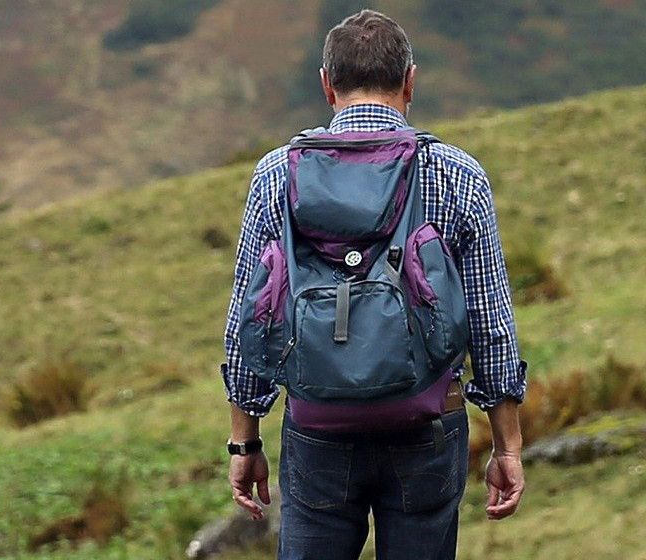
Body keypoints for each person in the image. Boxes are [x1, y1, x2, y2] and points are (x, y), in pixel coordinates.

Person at [219, 9, 529, 559]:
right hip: (428, 424)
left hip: (318, 427)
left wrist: (245, 438)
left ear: (326, 85)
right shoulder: (457, 173)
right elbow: (490, 321)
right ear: (411, 81)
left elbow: (252, 314)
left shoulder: (275, 175)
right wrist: (508, 443)